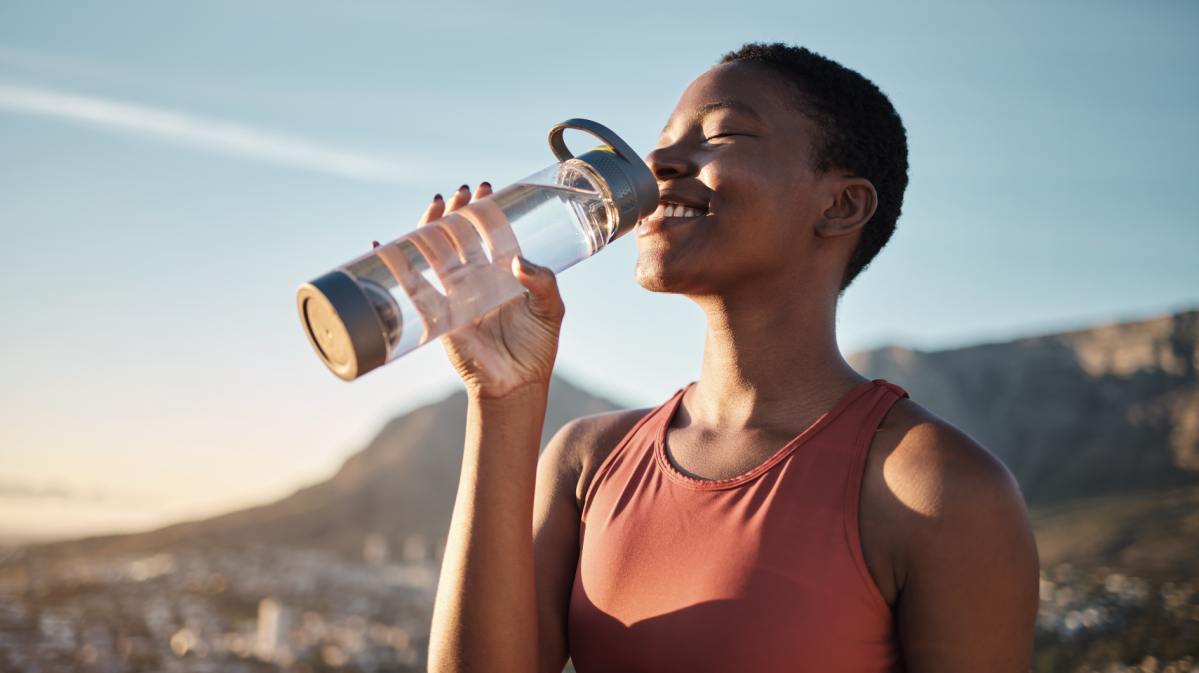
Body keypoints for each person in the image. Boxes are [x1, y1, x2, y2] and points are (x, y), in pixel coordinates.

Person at [422, 43, 1039, 672]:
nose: (658, 160)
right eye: (663, 140)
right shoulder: (589, 461)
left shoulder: (936, 488)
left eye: (724, 134)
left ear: (840, 205)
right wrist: (501, 399)